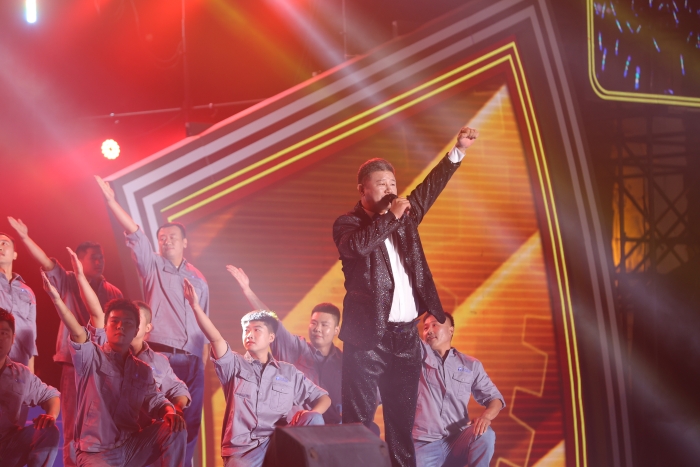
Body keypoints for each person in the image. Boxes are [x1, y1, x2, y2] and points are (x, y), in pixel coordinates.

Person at [332, 127, 479, 467]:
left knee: (401, 426)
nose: (390, 189)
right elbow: (359, 247)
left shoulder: (405, 218)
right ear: (363, 189)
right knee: (359, 424)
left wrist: (457, 151)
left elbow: (428, 189)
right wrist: (390, 217)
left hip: (406, 339)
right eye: (381, 184)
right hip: (367, 338)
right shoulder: (347, 224)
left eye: (393, 184)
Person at [96, 176, 208, 466]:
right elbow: (135, 233)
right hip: (162, 354)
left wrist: (203, 360)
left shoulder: (198, 277)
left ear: (185, 242)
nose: (166, 241)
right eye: (162, 238)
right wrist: (111, 202)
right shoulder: (153, 265)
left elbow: (204, 322)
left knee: (190, 423)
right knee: (157, 418)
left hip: (194, 359)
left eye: (172, 237)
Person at [8, 217, 123, 467]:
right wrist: (25, 237)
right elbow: (47, 262)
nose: (99, 262)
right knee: (72, 428)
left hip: (105, 369)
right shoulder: (68, 281)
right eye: (93, 258)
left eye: (101, 257)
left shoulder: (112, 292)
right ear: (79, 260)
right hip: (74, 365)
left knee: (104, 429)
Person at [42, 273, 187, 467]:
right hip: (96, 453)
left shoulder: (142, 370)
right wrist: (57, 300)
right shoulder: (91, 357)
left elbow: (157, 400)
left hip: (131, 447)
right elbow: (77, 331)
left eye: (128, 323)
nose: (120, 327)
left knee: (175, 427)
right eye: (114, 321)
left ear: (136, 331)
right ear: (106, 326)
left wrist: (170, 412)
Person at [183, 278, 331, 467]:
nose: (249, 334)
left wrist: (309, 413)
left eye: (256, 330)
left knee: (314, 418)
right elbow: (216, 339)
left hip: (280, 444)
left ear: (271, 337)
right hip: (244, 451)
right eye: (246, 330)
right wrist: (195, 306)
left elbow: (324, 398)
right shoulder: (233, 365)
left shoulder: (288, 372)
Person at [63, 246, 191, 425]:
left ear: (146, 327)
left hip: (143, 431)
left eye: (133, 320)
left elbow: (178, 389)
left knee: (176, 430)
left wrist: (175, 410)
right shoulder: (104, 345)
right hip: (104, 429)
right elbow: (96, 313)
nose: (124, 325)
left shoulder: (158, 361)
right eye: (123, 319)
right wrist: (80, 276)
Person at [227, 265, 344, 424]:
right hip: (297, 426)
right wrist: (247, 291)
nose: (317, 329)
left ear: (336, 330)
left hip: (336, 428)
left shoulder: (343, 362)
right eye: (314, 323)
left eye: (324, 325)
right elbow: (272, 320)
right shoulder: (295, 348)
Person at [413, 313, 504, 467]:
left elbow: (495, 398)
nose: (429, 331)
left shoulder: (470, 364)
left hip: (457, 442)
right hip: (423, 446)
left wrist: (486, 418)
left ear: (451, 330)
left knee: (484, 434)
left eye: (435, 325)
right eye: (425, 327)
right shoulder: (414, 360)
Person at [0, 308, 60, 467]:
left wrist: (51, 415)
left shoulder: (21, 374)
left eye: (4, 333)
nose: (0, 338)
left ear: (13, 338)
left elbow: (51, 395)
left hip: (7, 447)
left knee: (48, 431)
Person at [0, 231, 37, 372]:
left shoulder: (27, 291)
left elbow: (31, 335)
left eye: (4, 243)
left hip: (19, 367)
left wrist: (30, 374)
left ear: (15, 255)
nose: (0, 247)